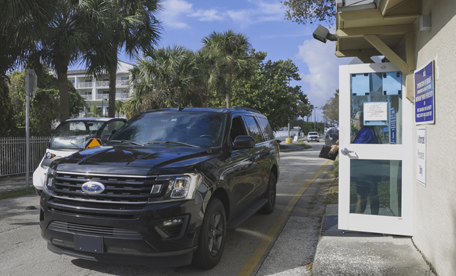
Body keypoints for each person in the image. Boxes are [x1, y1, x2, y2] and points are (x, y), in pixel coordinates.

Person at [330, 111, 381, 214]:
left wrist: (335, 149)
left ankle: (361, 220)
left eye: (355, 119)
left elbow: (354, 148)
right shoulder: (365, 132)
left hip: (367, 171)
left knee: (363, 196)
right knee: (371, 195)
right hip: (369, 169)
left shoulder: (365, 132)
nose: (353, 121)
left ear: (361, 121)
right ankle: (371, 217)